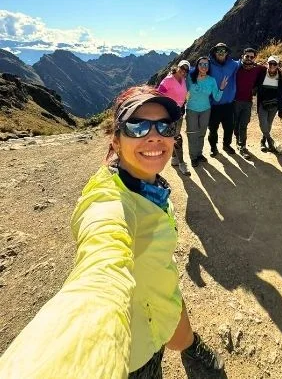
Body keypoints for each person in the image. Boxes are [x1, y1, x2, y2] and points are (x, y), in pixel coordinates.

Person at [0, 85, 224, 377]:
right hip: (134, 350)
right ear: (116, 142)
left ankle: (191, 346)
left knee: (178, 327)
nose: (154, 135)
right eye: (137, 126)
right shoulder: (108, 200)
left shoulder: (149, 185)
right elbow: (102, 262)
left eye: (165, 126)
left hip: (161, 300)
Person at [186, 57, 227, 168]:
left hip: (206, 110)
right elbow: (182, 88)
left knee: (201, 133)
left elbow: (217, 98)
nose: (203, 66)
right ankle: (193, 157)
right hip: (191, 110)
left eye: (206, 64)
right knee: (192, 134)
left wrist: (221, 88)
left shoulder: (211, 80)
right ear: (197, 65)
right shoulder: (190, 77)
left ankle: (199, 154)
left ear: (208, 67)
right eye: (201, 64)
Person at [255, 56, 282, 153]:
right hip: (262, 103)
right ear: (267, 64)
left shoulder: (281, 75)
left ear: (278, 65)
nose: (272, 66)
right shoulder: (262, 73)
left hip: (274, 105)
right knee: (263, 124)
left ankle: (263, 141)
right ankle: (270, 140)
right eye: (270, 63)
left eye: (274, 64)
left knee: (269, 124)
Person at [157, 60, 191, 176]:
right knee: (176, 136)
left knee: (174, 135)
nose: (183, 71)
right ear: (178, 67)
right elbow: (159, 93)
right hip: (169, 113)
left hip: (179, 112)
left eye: (186, 70)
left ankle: (174, 159)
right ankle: (182, 163)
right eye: (182, 68)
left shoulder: (183, 80)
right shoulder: (168, 80)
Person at [206, 42, 240, 157]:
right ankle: (213, 147)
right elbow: (195, 70)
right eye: (218, 50)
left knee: (229, 127)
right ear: (214, 52)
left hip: (228, 104)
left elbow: (244, 64)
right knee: (213, 128)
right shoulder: (209, 65)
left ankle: (226, 145)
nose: (221, 53)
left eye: (223, 50)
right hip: (213, 104)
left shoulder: (233, 64)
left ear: (227, 53)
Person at [232, 48, 266, 158]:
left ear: (254, 58)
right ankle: (237, 140)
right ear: (243, 56)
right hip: (235, 101)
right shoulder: (237, 67)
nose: (249, 58)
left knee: (244, 124)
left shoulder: (257, 69)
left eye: (252, 57)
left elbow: (269, 69)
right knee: (235, 124)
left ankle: (242, 146)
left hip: (247, 102)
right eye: (247, 56)